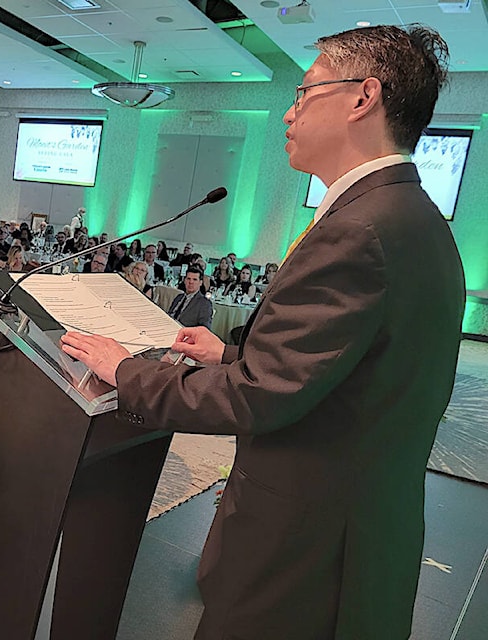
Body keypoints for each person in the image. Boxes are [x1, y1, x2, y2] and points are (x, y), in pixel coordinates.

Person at [60, 25, 463, 640]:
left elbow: (257, 398)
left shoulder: (359, 229)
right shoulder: (415, 217)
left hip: (304, 557)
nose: (288, 111)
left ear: (363, 98)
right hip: (359, 535)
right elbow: (355, 373)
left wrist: (126, 370)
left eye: (304, 93)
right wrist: (231, 352)